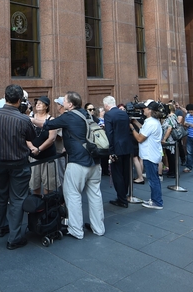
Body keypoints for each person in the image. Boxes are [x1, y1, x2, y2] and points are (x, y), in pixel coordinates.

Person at [34, 91, 105, 240]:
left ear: (70, 104)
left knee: (72, 195)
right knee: (95, 195)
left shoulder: (69, 116)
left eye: (65, 100)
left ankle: (76, 230)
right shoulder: (87, 114)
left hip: (78, 162)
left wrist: (29, 119)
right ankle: (98, 228)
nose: (63, 103)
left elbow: (47, 124)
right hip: (95, 161)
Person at [0, 85, 36, 248]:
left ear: (5, 96)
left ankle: (0, 227)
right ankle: (14, 238)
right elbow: (32, 136)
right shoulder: (23, 119)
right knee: (17, 199)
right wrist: (26, 115)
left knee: (0, 195)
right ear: (20, 100)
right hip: (18, 163)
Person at [103, 96, 135, 207]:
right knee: (125, 173)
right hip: (127, 146)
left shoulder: (108, 115)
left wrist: (111, 151)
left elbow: (109, 133)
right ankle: (124, 195)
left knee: (117, 174)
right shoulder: (124, 114)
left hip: (116, 147)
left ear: (106, 105)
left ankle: (122, 199)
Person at [131, 101, 164, 209]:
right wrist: (135, 122)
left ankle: (157, 202)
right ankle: (155, 199)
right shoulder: (153, 121)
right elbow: (144, 130)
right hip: (153, 154)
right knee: (155, 179)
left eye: (144, 108)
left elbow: (140, 138)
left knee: (153, 180)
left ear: (150, 110)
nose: (143, 110)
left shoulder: (150, 123)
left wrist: (132, 128)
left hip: (150, 155)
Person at [28, 96, 58, 194]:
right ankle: (37, 202)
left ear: (46, 106)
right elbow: (25, 136)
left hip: (48, 157)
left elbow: (51, 138)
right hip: (33, 157)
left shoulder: (51, 119)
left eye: (41, 103)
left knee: (49, 185)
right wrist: (32, 148)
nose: (38, 105)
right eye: (37, 103)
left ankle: (47, 202)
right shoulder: (30, 117)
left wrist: (39, 149)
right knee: (34, 184)